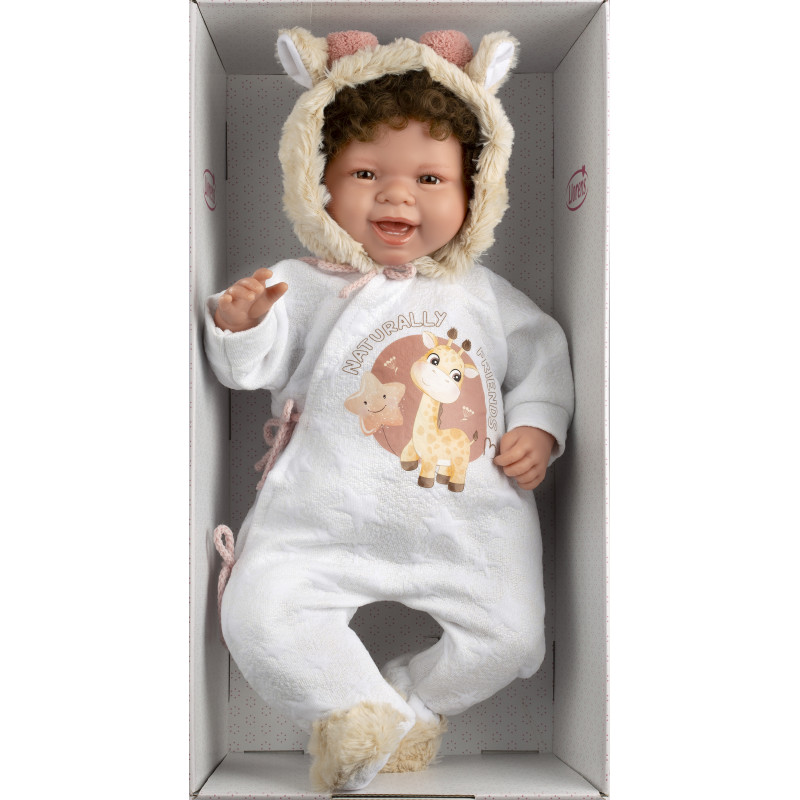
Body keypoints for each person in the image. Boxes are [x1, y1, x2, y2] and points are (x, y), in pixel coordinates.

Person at [204, 28, 574, 793]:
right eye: (366, 172)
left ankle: (411, 704)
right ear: (318, 182)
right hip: (323, 515)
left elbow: (543, 356)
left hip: (468, 524)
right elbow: (249, 371)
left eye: (430, 178)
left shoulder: (483, 295)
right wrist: (242, 328)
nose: (398, 196)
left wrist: (539, 425)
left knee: (512, 640)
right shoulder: (303, 282)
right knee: (258, 615)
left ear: (476, 192)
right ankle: (357, 711)